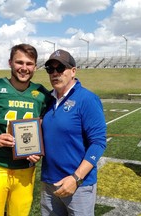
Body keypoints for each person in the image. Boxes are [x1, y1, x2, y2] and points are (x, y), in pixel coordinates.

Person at [0, 43, 51, 216]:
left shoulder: (41, 95)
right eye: (19, 62)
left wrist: (38, 151)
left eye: (29, 64)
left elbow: (42, 131)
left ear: (35, 66)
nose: (24, 68)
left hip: (25, 169)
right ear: (10, 63)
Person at [40, 49, 107, 216]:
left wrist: (76, 178)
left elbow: (98, 143)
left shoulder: (87, 99)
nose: (55, 73)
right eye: (50, 69)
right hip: (49, 182)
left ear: (73, 71)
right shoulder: (47, 99)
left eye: (60, 68)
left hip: (78, 185)